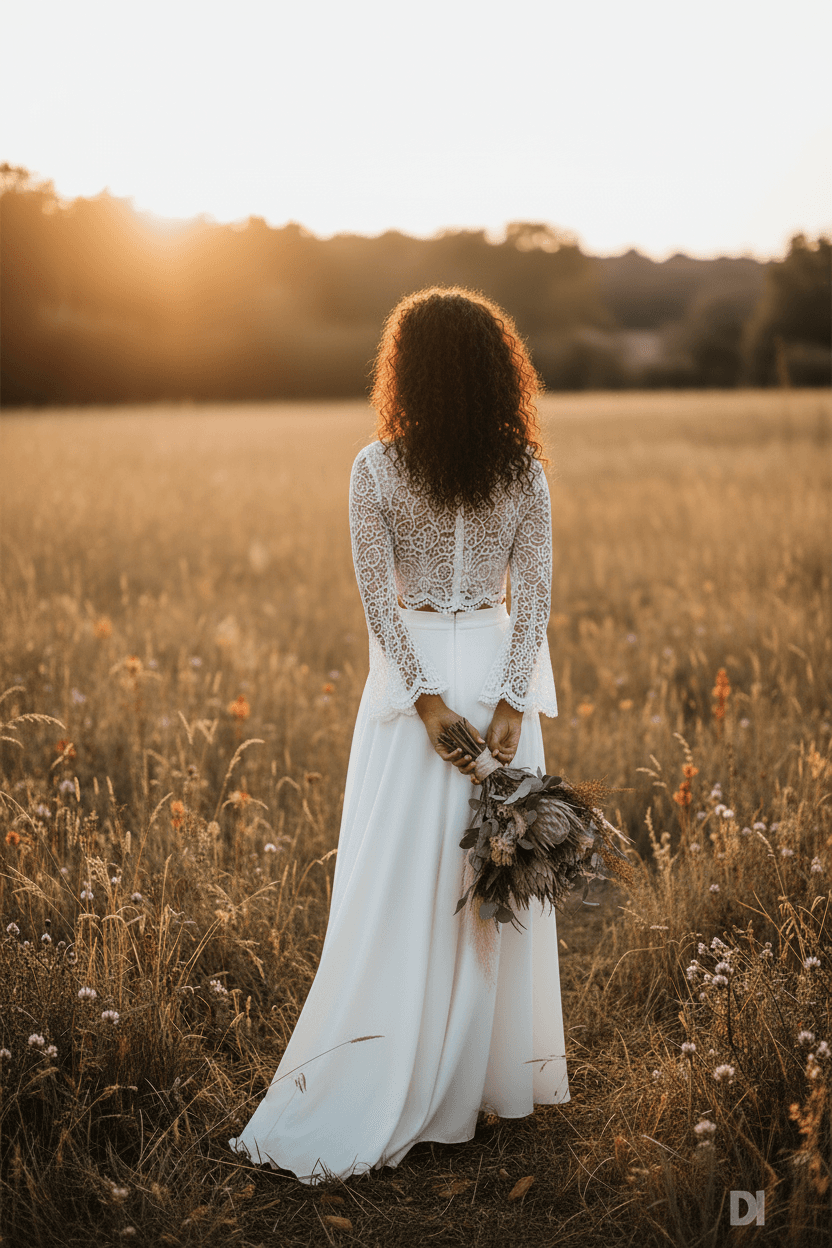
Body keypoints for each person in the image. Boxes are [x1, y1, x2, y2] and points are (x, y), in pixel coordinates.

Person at [229, 285, 569, 1185]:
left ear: (404, 368)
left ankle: (398, 1065)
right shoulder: (522, 467)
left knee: (400, 882)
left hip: (415, 681)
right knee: (491, 879)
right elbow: (532, 596)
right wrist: (506, 703)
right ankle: (482, 1084)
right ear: (500, 371)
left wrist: (424, 703)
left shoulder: (374, 466)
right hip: (497, 681)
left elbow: (378, 601)